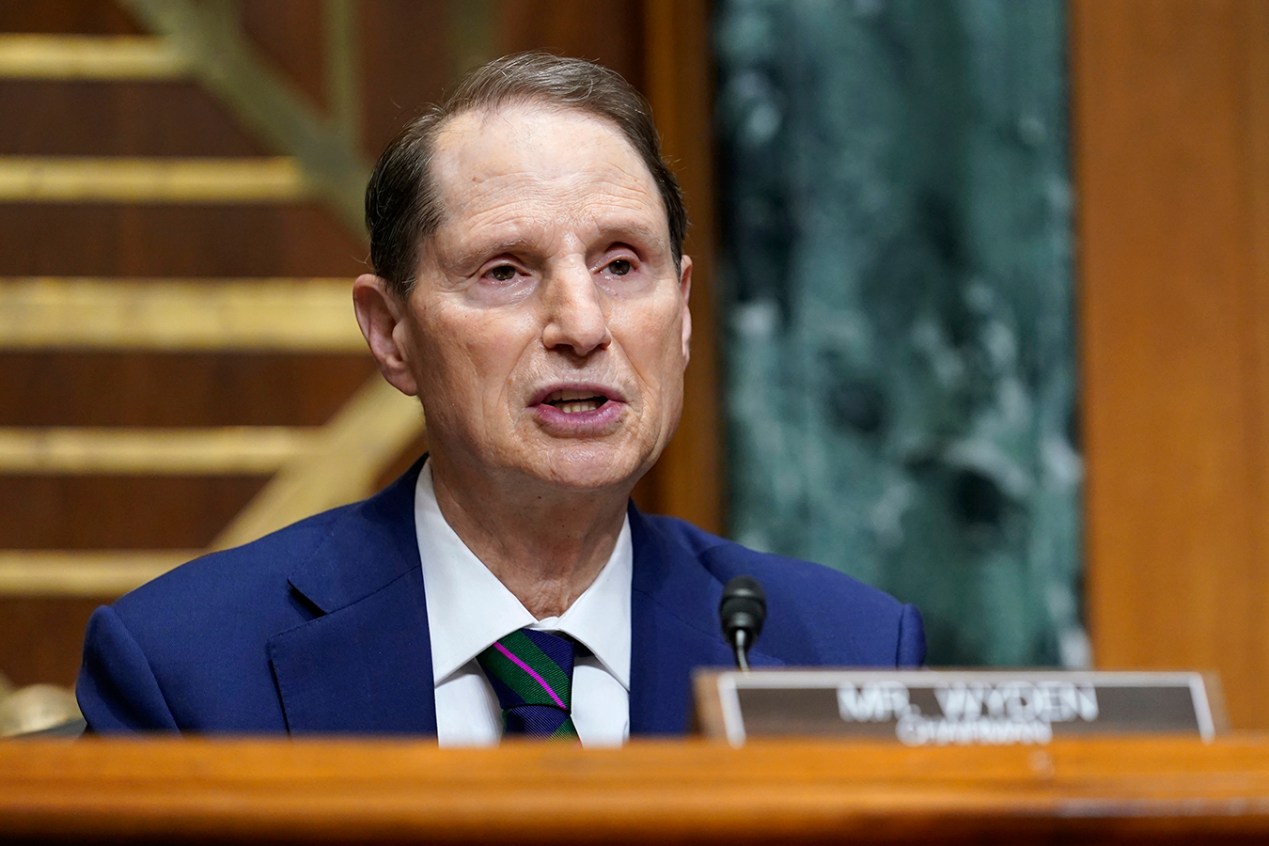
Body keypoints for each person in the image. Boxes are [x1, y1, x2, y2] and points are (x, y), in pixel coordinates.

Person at [76, 52, 925, 743]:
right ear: (391, 333)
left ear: (683, 311)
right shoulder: (189, 672)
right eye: (505, 271)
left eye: (621, 264)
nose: (581, 326)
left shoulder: (845, 654)